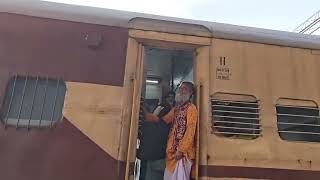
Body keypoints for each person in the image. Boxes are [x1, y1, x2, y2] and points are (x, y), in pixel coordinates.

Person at [144, 82, 198, 180]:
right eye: (180, 88)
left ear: (190, 93)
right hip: (171, 153)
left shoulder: (191, 108)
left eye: (184, 89)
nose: (181, 90)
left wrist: (181, 150)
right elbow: (164, 120)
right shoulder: (176, 109)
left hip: (182, 155)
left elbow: (190, 130)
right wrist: (146, 116)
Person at [137, 92, 176, 180]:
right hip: (155, 154)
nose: (170, 99)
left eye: (172, 97)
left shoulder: (164, 109)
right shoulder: (165, 108)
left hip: (150, 153)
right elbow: (157, 119)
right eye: (168, 97)